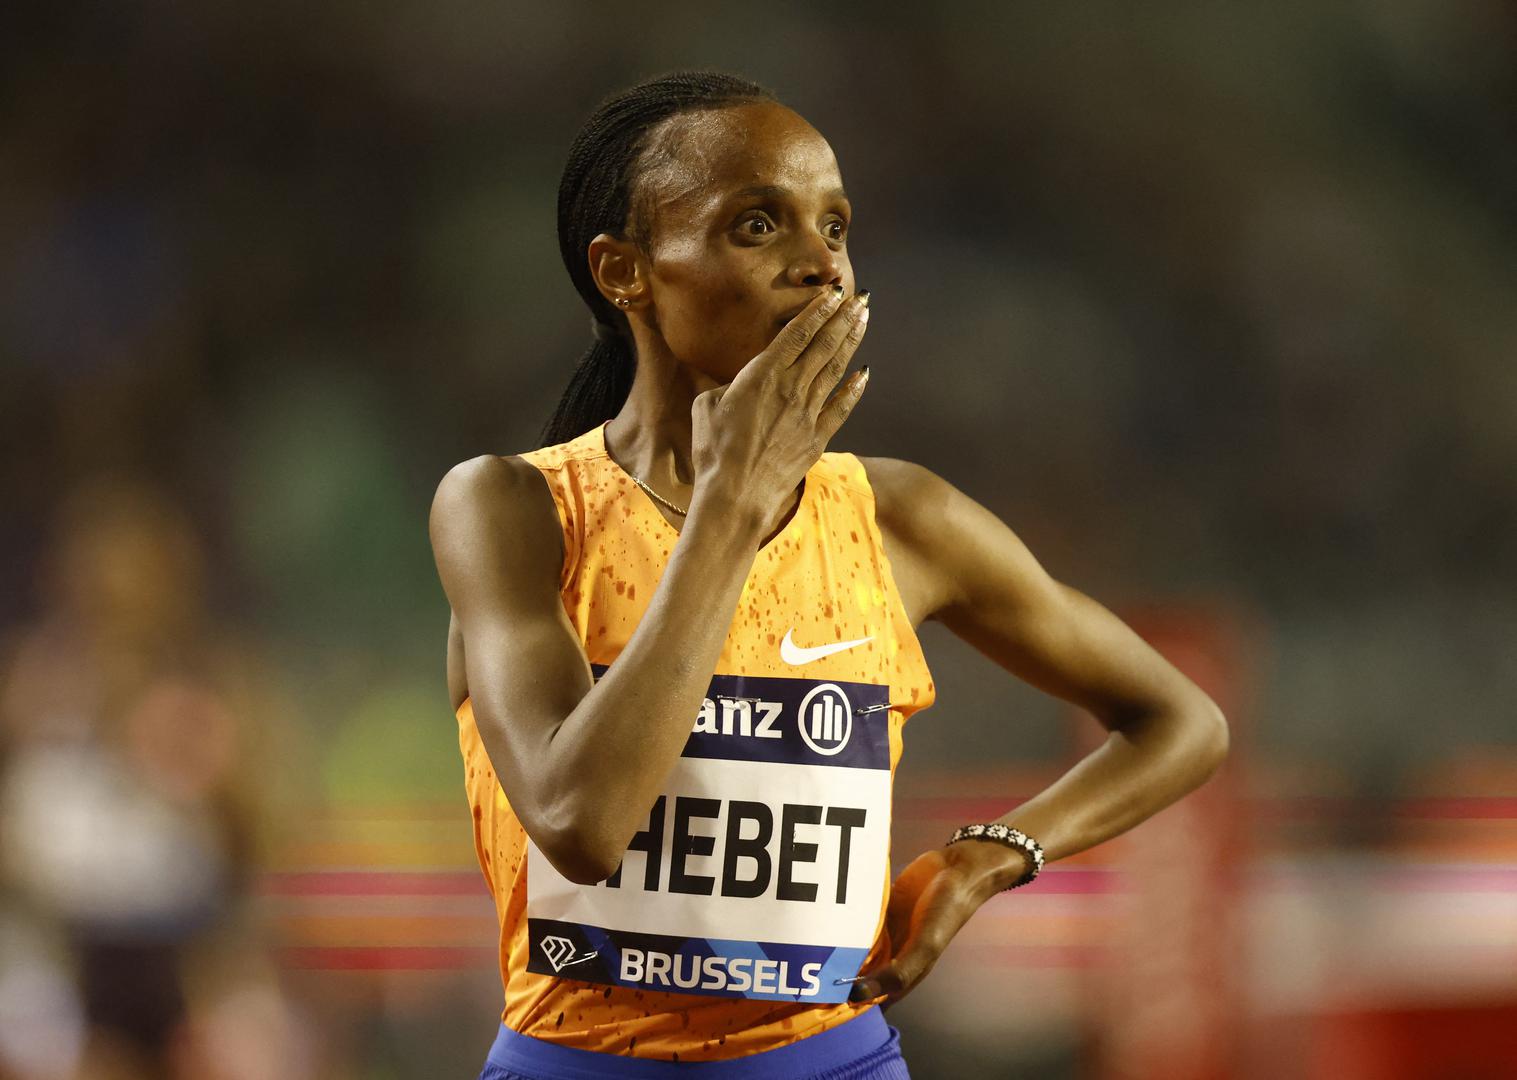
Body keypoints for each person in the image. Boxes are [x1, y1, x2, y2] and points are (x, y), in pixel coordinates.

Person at [429, 69, 1230, 1080]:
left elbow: (1181, 722)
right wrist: (730, 508)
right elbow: (578, 824)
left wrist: (986, 857)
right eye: (757, 225)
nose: (820, 266)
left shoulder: (899, 520)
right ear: (623, 272)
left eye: (835, 227)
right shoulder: (514, 509)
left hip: (829, 1061)